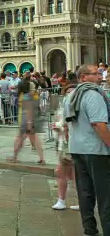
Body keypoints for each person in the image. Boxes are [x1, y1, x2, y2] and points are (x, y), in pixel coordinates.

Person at [64, 64, 110, 236]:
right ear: (83, 77)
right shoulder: (93, 95)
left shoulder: (71, 96)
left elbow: (68, 124)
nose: (100, 77)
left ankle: (89, 230)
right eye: (95, 74)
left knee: (85, 193)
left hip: (77, 148)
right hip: (96, 150)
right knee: (106, 196)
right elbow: (99, 124)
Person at [52, 73, 78, 211]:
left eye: (73, 92)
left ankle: (82, 201)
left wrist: (61, 126)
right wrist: (57, 126)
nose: (70, 94)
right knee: (62, 172)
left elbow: (73, 125)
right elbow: (59, 121)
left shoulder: (80, 107)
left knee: (76, 175)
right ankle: (61, 200)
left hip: (77, 145)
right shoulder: (62, 107)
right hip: (63, 144)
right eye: (67, 92)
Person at [7, 73, 45, 165]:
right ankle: (42, 158)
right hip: (31, 119)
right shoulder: (33, 95)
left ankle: (15, 157)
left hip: (26, 120)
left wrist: (29, 124)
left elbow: (28, 110)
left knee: (20, 139)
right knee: (34, 139)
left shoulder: (24, 96)